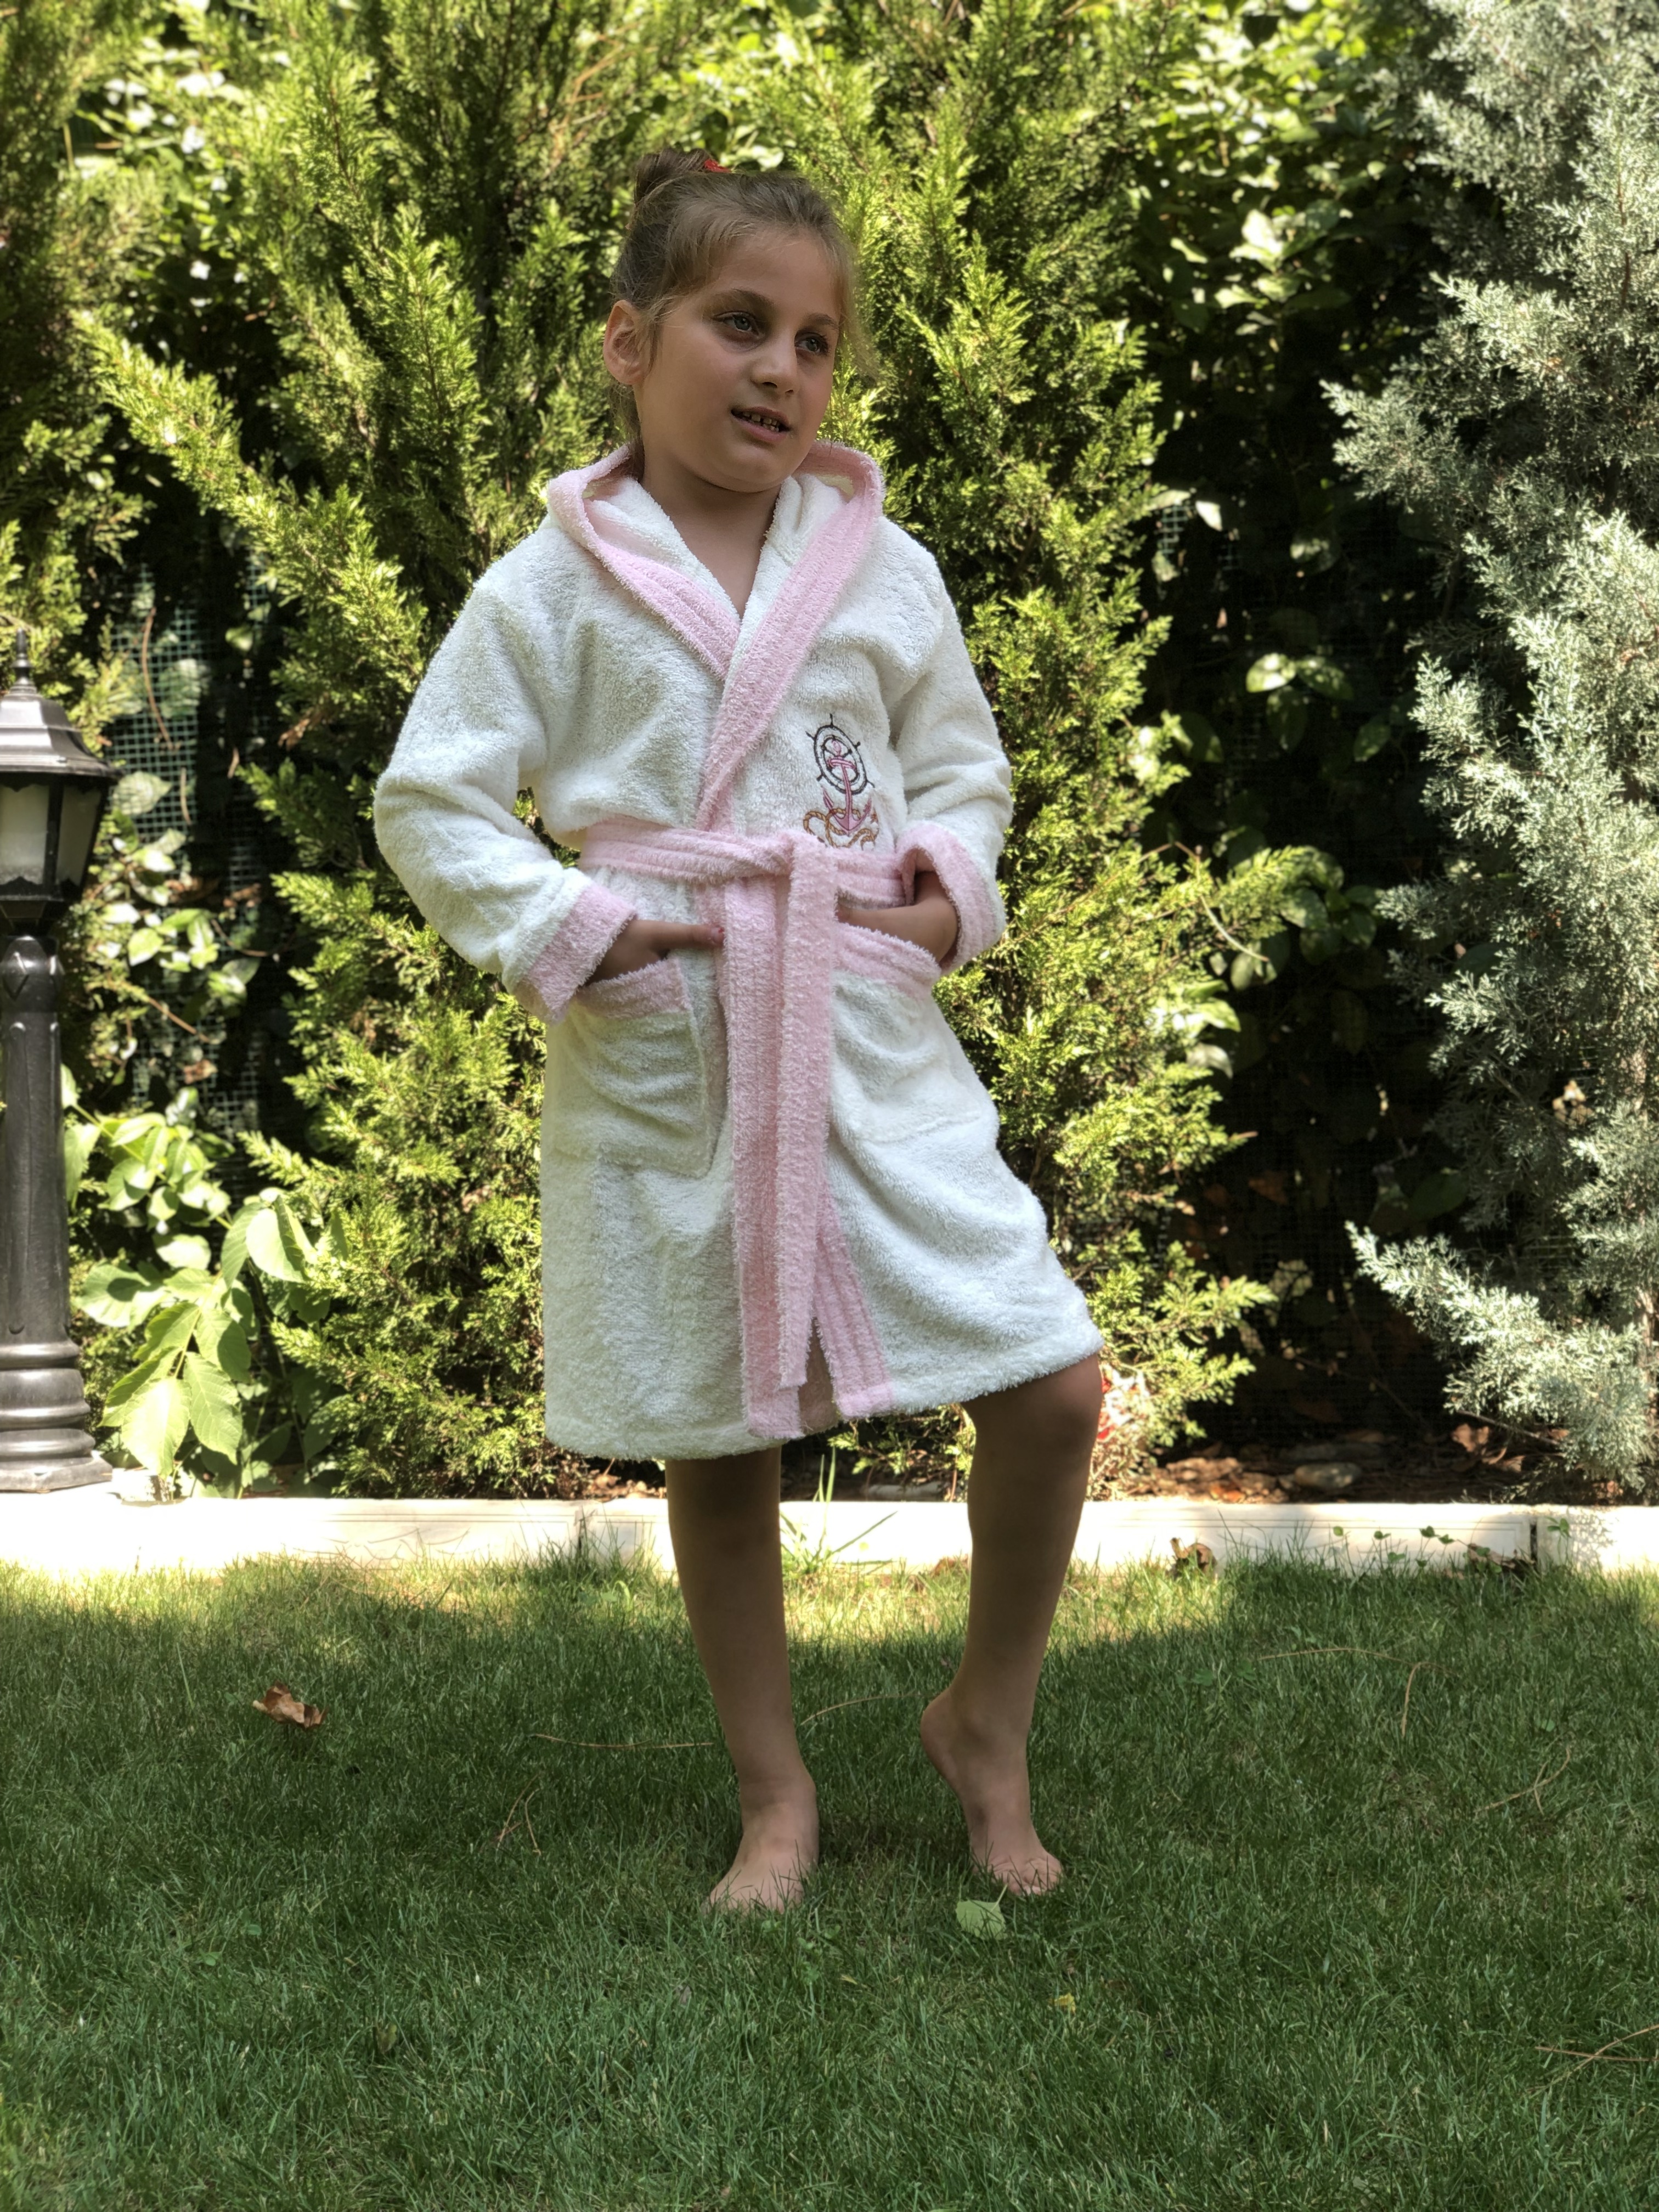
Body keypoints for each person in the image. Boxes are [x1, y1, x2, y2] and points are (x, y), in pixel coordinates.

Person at [374, 150, 1104, 1911]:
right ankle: (775, 1797)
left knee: (1056, 1383)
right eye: (740, 324)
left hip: (860, 1023)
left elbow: (962, 772)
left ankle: (985, 1722)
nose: (783, 367)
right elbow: (431, 800)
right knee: (717, 1431)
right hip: (678, 1028)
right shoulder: (548, 588)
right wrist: (582, 931)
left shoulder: (882, 567)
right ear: (631, 343)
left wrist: (945, 893)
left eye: (816, 341)